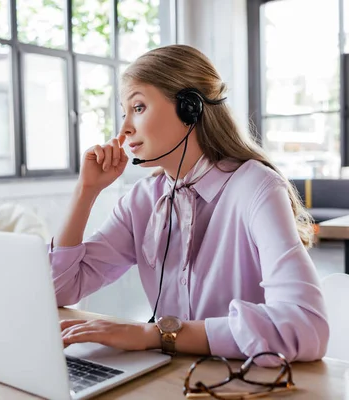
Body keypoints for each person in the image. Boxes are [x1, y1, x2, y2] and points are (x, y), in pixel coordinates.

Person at [52, 45, 328, 365]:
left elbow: (306, 327)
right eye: (124, 111)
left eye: (138, 107)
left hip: (245, 381)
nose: (124, 128)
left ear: (189, 109)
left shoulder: (256, 188)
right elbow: (61, 290)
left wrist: (156, 335)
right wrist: (85, 192)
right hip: (172, 381)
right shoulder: (142, 200)